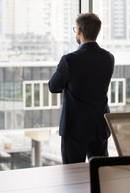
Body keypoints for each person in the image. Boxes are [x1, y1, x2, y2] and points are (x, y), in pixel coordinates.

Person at [48, 13, 114, 164]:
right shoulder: (109, 58)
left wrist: (67, 86)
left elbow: (53, 86)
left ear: (78, 31)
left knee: (72, 176)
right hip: (99, 127)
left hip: (74, 128)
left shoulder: (69, 60)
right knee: (100, 173)